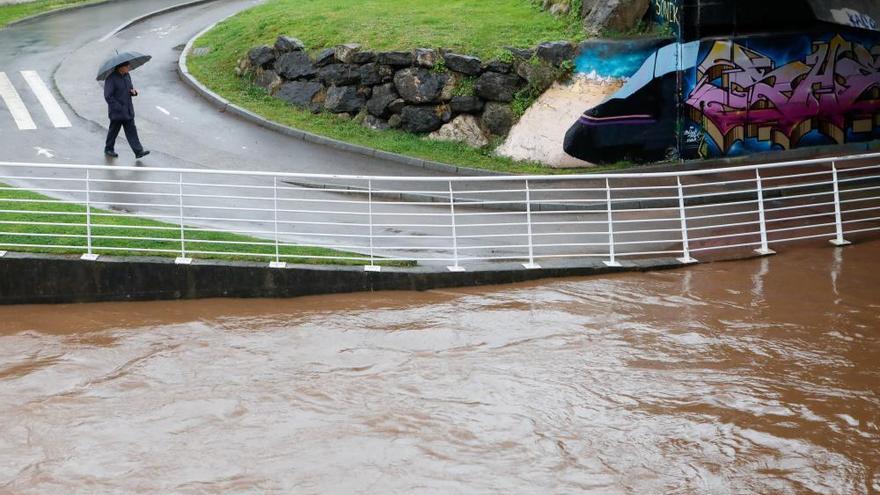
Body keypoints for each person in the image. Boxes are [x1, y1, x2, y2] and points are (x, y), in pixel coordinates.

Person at [103, 62, 149, 159]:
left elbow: (130, 89)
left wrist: (134, 92)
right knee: (113, 131)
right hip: (117, 112)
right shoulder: (111, 78)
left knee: (132, 131)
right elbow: (108, 96)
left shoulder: (127, 76)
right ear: (120, 67)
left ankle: (138, 151)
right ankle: (108, 149)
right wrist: (119, 107)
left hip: (128, 111)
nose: (129, 67)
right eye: (127, 66)